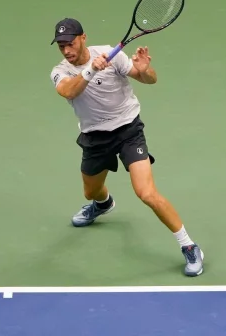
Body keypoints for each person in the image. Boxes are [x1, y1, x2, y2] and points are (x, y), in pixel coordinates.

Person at [48, 18, 204, 277]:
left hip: (128, 131)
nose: (66, 50)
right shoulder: (60, 70)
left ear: (83, 38)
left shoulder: (112, 55)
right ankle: (103, 204)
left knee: (147, 193)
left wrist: (143, 71)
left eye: (70, 43)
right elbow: (68, 92)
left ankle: (189, 246)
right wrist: (90, 71)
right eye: (61, 46)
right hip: (95, 138)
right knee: (91, 192)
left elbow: (150, 80)